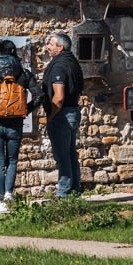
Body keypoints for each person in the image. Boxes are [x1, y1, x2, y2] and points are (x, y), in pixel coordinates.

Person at [0, 39, 38, 211]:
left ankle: (1, 199)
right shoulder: (23, 73)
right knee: (12, 160)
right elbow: (39, 96)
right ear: (13, 52)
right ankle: (9, 194)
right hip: (16, 124)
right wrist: (26, 110)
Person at [42, 30, 84, 197]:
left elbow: (58, 97)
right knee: (70, 154)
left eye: (50, 44)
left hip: (62, 114)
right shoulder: (73, 63)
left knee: (62, 156)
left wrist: (50, 116)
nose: (47, 47)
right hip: (73, 111)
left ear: (60, 47)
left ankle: (64, 193)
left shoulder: (59, 65)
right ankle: (74, 190)